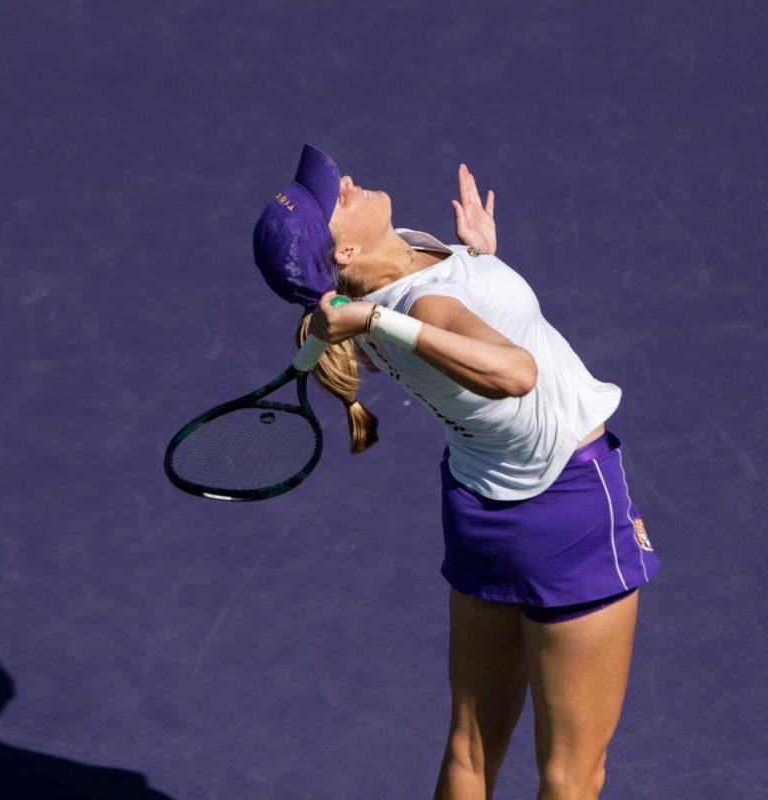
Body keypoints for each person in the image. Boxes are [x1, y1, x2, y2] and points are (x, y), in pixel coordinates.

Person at [252, 144, 660, 800]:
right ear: (345, 256)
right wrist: (407, 307)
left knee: (470, 751)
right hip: (569, 511)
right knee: (572, 775)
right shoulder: (414, 309)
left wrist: (481, 263)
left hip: (478, 509)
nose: (347, 183)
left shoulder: (388, 284)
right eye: (336, 201)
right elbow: (515, 372)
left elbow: (450, 316)